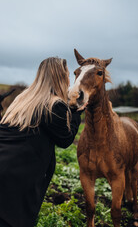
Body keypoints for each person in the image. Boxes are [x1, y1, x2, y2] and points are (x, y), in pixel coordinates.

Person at [0, 57, 82, 227]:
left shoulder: (22, 98)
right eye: (67, 75)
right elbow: (65, 139)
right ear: (60, 76)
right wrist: (75, 112)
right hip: (18, 176)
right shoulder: (54, 105)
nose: (68, 80)